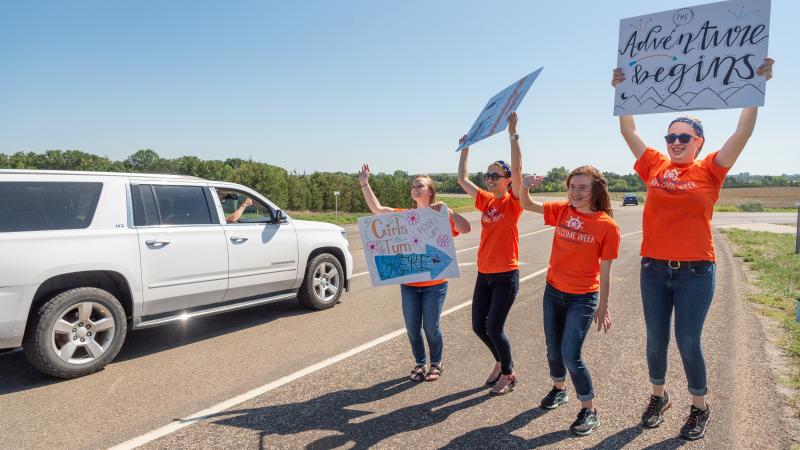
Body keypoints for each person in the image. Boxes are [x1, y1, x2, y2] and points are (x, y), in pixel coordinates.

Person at [611, 57, 775, 440]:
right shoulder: (653, 164)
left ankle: (699, 406)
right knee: (655, 338)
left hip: (696, 271)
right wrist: (623, 90)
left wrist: (755, 87)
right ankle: (658, 397)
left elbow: (743, 133)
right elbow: (628, 128)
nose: (676, 143)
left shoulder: (710, 169)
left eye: (684, 137)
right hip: (653, 268)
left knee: (687, 340)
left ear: (699, 141)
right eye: (671, 137)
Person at [511, 112, 620, 436]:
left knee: (571, 353)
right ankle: (559, 389)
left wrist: (602, 305)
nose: (575, 192)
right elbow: (525, 203)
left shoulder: (606, 226)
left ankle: (589, 409)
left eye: (582, 188)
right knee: (552, 349)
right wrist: (526, 185)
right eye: (572, 187)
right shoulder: (561, 210)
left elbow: (606, 270)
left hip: (583, 297)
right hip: (553, 291)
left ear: (595, 189)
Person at [359, 165, 471, 382]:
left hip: (435, 284)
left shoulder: (439, 215)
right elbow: (377, 209)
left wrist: (449, 212)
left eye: (420, 185)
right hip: (409, 285)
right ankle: (420, 363)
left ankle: (436, 363)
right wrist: (364, 182)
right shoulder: (404, 216)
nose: (415, 189)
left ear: (430, 191)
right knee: (412, 328)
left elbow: (465, 228)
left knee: (431, 326)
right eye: (413, 186)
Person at [456, 119, 524, 396]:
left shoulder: (513, 201)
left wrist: (513, 135)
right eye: (488, 175)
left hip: (506, 274)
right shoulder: (485, 200)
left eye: (496, 175)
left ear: (507, 180)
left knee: (495, 328)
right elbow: (462, 179)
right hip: (485, 273)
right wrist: (466, 148)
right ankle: (499, 360)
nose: (490, 179)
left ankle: (508, 374)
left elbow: (518, 168)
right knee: (478, 326)